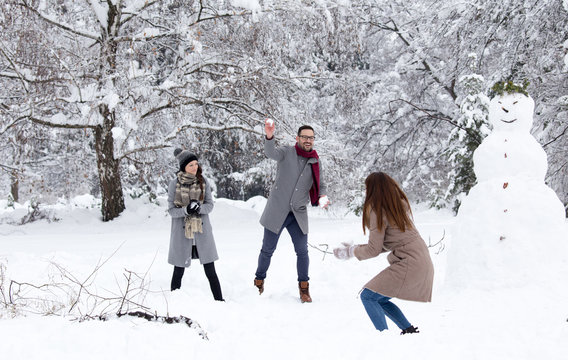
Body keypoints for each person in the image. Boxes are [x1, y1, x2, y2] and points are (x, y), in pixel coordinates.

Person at [333, 172, 433, 334]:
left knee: (368, 296)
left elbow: (374, 250)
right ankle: (408, 331)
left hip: (410, 262)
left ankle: (383, 339)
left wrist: (351, 252)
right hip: (420, 260)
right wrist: (354, 250)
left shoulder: (378, 210)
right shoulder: (396, 207)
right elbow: (388, 243)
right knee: (379, 298)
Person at [254, 119, 330, 303]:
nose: (308, 140)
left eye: (311, 137)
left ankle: (304, 288)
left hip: (298, 213)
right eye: (305, 137)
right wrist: (269, 136)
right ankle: (258, 282)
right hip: (277, 210)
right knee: (267, 250)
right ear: (297, 138)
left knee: (302, 251)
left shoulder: (315, 160)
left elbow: (321, 184)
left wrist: (322, 196)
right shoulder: (286, 152)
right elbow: (269, 152)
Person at [167, 148, 224, 301]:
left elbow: (210, 205)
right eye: (191, 165)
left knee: (210, 270)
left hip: (202, 233)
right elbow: (172, 211)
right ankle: (173, 302)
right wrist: (186, 210)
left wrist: (199, 208)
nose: (195, 167)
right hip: (182, 234)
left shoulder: (203, 182)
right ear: (183, 166)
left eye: (196, 164)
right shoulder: (174, 184)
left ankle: (220, 300)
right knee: (178, 270)